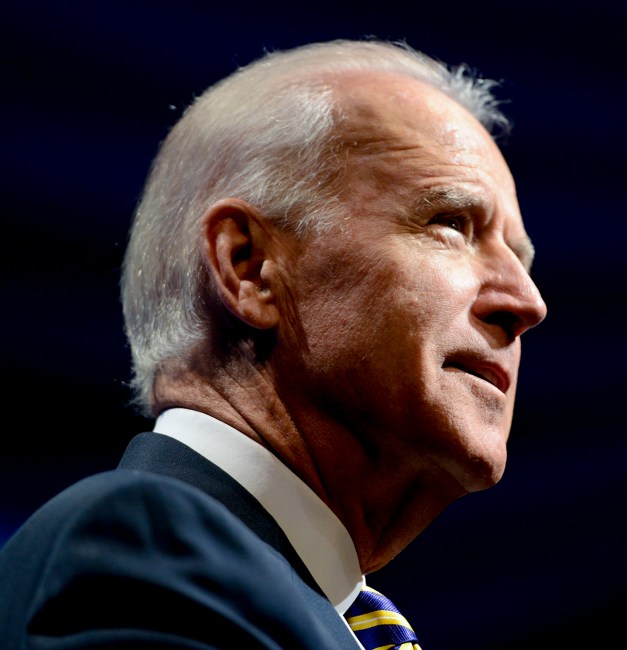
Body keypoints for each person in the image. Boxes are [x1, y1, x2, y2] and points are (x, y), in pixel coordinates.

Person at [0, 38, 547, 649]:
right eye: (450, 224)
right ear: (249, 267)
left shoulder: (284, 597)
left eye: (520, 259)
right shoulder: (144, 551)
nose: (527, 303)